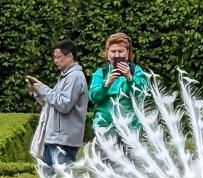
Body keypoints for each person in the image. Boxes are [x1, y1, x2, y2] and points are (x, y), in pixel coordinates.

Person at [26, 39, 88, 168]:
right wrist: (37, 91)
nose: (56, 61)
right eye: (55, 58)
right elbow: (51, 103)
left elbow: (63, 104)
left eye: (59, 57)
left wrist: (43, 88)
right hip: (56, 138)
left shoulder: (75, 76)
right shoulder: (66, 76)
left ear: (70, 56)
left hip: (64, 140)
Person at [89, 33, 148, 137]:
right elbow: (93, 97)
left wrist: (129, 77)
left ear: (128, 53)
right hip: (104, 127)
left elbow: (141, 94)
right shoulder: (101, 73)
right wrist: (106, 84)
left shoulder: (136, 71)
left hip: (130, 127)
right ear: (107, 54)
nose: (117, 55)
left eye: (121, 51)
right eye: (113, 51)